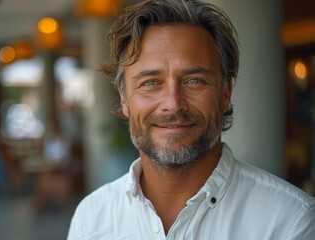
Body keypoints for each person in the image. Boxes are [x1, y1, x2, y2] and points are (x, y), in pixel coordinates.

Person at [67, 0, 315, 239]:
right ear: (124, 99)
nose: (173, 103)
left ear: (225, 93)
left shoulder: (290, 221)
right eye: (150, 83)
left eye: (194, 80)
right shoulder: (90, 219)